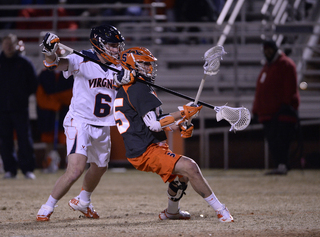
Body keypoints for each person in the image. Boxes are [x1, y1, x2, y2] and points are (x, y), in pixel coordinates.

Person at [113, 47, 234, 222]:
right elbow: (154, 125)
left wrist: (180, 123)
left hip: (145, 146)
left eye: (150, 64)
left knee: (182, 176)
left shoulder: (134, 88)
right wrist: (183, 112)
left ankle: (171, 212)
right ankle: (221, 210)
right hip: (145, 149)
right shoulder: (137, 88)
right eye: (144, 64)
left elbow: (158, 120)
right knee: (190, 167)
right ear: (132, 65)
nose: (149, 68)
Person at [36, 25, 133, 221]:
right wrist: (49, 52)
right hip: (79, 121)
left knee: (99, 167)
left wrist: (129, 80)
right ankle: (47, 207)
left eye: (117, 45)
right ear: (99, 44)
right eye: (112, 45)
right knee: (76, 170)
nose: (117, 49)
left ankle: (83, 201)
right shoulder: (80, 58)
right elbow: (54, 64)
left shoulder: (121, 67)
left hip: (103, 124)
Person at [252, 39, 300, 175]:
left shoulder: (286, 64)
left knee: (282, 141)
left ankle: (283, 165)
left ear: (275, 49)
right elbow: (260, 91)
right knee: (273, 142)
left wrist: (285, 105)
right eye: (265, 50)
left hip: (281, 113)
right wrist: (256, 110)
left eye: (269, 49)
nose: (267, 52)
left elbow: (289, 87)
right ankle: (279, 165)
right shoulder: (267, 67)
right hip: (268, 114)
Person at [0, 34, 38, 180]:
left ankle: (27, 169)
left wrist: (21, 96)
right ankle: (10, 169)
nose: (8, 47)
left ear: (16, 45)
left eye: (11, 44)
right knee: (5, 140)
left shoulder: (24, 63)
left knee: (24, 139)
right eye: (6, 44)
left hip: (20, 108)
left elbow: (33, 83)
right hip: (2, 109)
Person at [36, 47, 74, 173]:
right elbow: (40, 96)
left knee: (66, 140)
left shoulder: (71, 74)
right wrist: (54, 104)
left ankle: (67, 164)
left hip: (66, 112)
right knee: (48, 140)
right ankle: (49, 163)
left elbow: (73, 93)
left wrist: (56, 99)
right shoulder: (44, 74)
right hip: (48, 113)